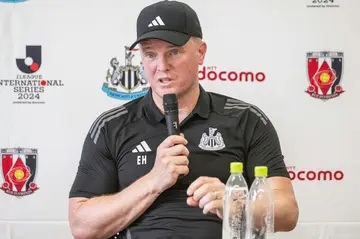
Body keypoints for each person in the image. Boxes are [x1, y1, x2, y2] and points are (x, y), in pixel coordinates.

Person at [68, 1, 299, 239]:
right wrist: (154, 181)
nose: (162, 67)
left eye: (174, 52)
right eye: (150, 54)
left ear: (200, 53)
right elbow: (82, 226)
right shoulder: (111, 126)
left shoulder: (246, 120)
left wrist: (235, 204)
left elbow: (287, 212)